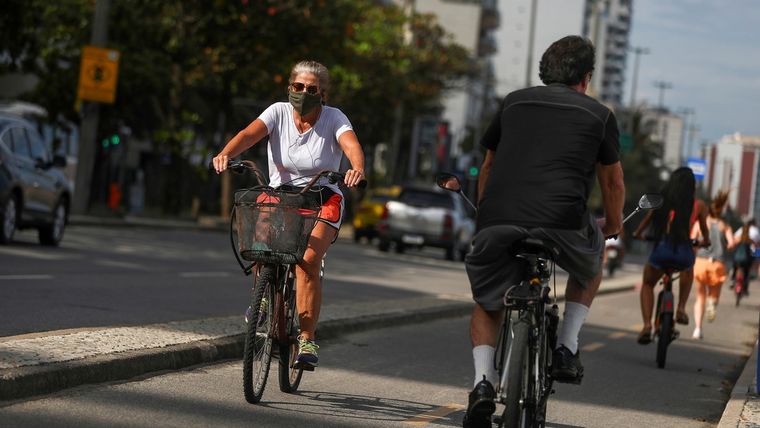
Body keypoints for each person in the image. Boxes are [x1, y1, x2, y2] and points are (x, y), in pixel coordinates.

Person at [461, 35, 625, 428]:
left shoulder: (512, 102)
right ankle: (567, 346)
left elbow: (487, 168)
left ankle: (483, 383)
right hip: (562, 222)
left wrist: (486, 217)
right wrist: (614, 226)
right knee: (591, 264)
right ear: (586, 77)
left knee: (488, 302)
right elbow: (613, 184)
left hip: (499, 218)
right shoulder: (599, 115)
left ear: (543, 71)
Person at [212, 60, 365, 370]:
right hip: (281, 195)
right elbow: (248, 134)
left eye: (312, 89)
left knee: (308, 260)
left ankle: (306, 339)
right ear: (289, 88)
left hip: (323, 197)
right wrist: (227, 152)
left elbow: (352, 145)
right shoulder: (277, 112)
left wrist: (357, 168)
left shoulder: (335, 118)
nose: (303, 93)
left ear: (323, 94)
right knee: (262, 245)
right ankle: (263, 300)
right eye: (298, 87)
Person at [632, 167, 709, 345]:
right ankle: (681, 307)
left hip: (662, 250)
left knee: (648, 284)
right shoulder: (699, 205)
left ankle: (646, 326)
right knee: (688, 267)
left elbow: (647, 221)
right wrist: (705, 242)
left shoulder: (662, 201)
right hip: (683, 252)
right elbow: (704, 233)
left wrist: (638, 233)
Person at [690, 191, 734, 339]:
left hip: (701, 263)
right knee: (713, 294)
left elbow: (692, 240)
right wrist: (726, 246)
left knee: (699, 297)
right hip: (717, 264)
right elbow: (732, 243)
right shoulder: (725, 226)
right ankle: (712, 303)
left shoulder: (699, 223)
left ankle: (697, 328)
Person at [732, 218, 758, 296]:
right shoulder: (752, 238)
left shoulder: (739, 234)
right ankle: (745, 288)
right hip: (747, 259)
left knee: (735, 268)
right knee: (747, 273)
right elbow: (756, 248)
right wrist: (756, 258)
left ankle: (733, 280)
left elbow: (733, 243)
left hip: (737, 258)